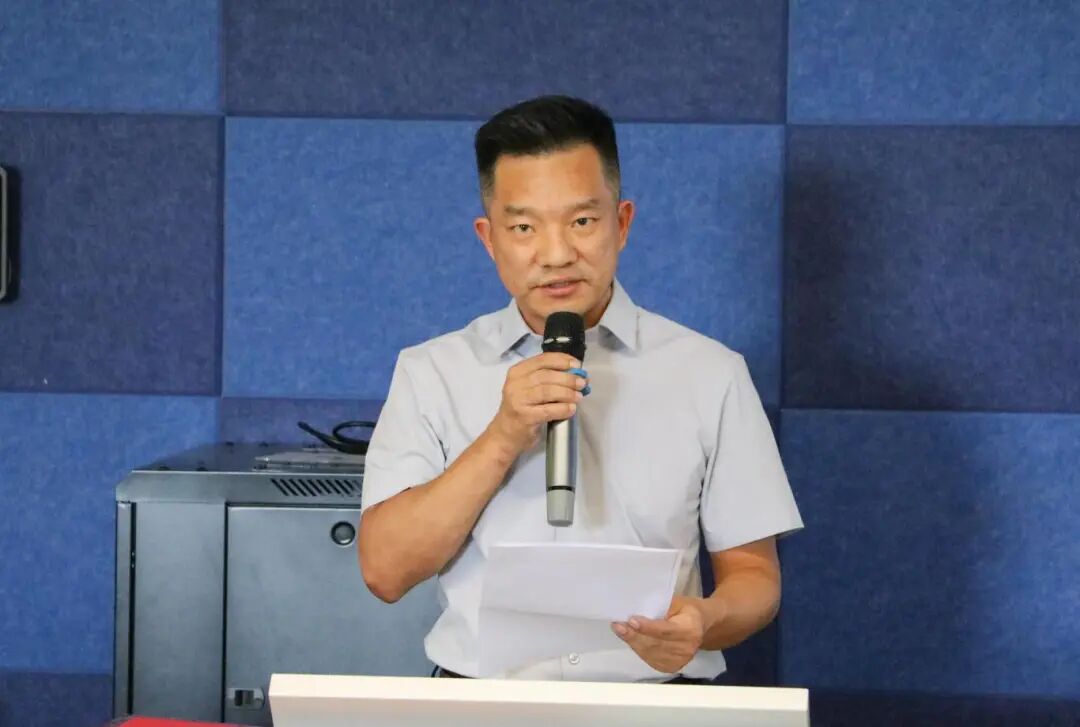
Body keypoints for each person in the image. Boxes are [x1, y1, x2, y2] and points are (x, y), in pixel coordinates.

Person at [358, 95, 803, 683]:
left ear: (622, 223)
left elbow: (755, 578)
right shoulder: (431, 372)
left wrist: (704, 620)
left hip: (654, 704)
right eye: (524, 227)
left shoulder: (710, 373)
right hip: (482, 705)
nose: (556, 254)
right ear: (489, 238)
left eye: (582, 222)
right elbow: (385, 571)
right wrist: (502, 436)